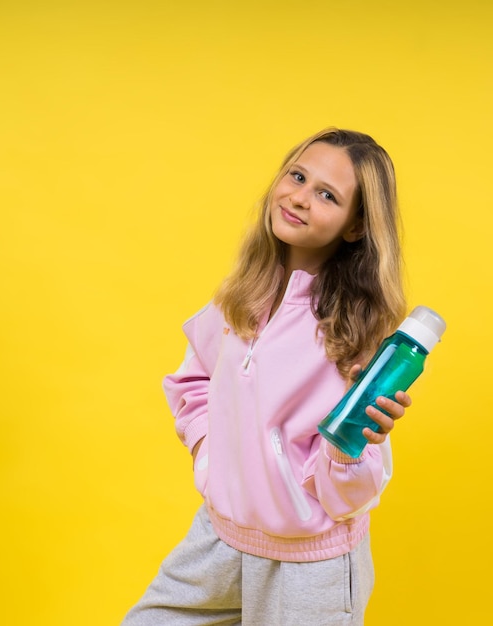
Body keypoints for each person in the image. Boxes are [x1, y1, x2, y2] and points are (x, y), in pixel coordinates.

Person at [121, 128, 412, 625]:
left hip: (309, 563)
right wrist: (209, 455)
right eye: (297, 176)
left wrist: (352, 447)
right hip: (219, 540)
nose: (299, 197)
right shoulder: (241, 296)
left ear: (356, 226)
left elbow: (350, 498)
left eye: (327, 195)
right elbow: (192, 382)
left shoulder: (357, 334)